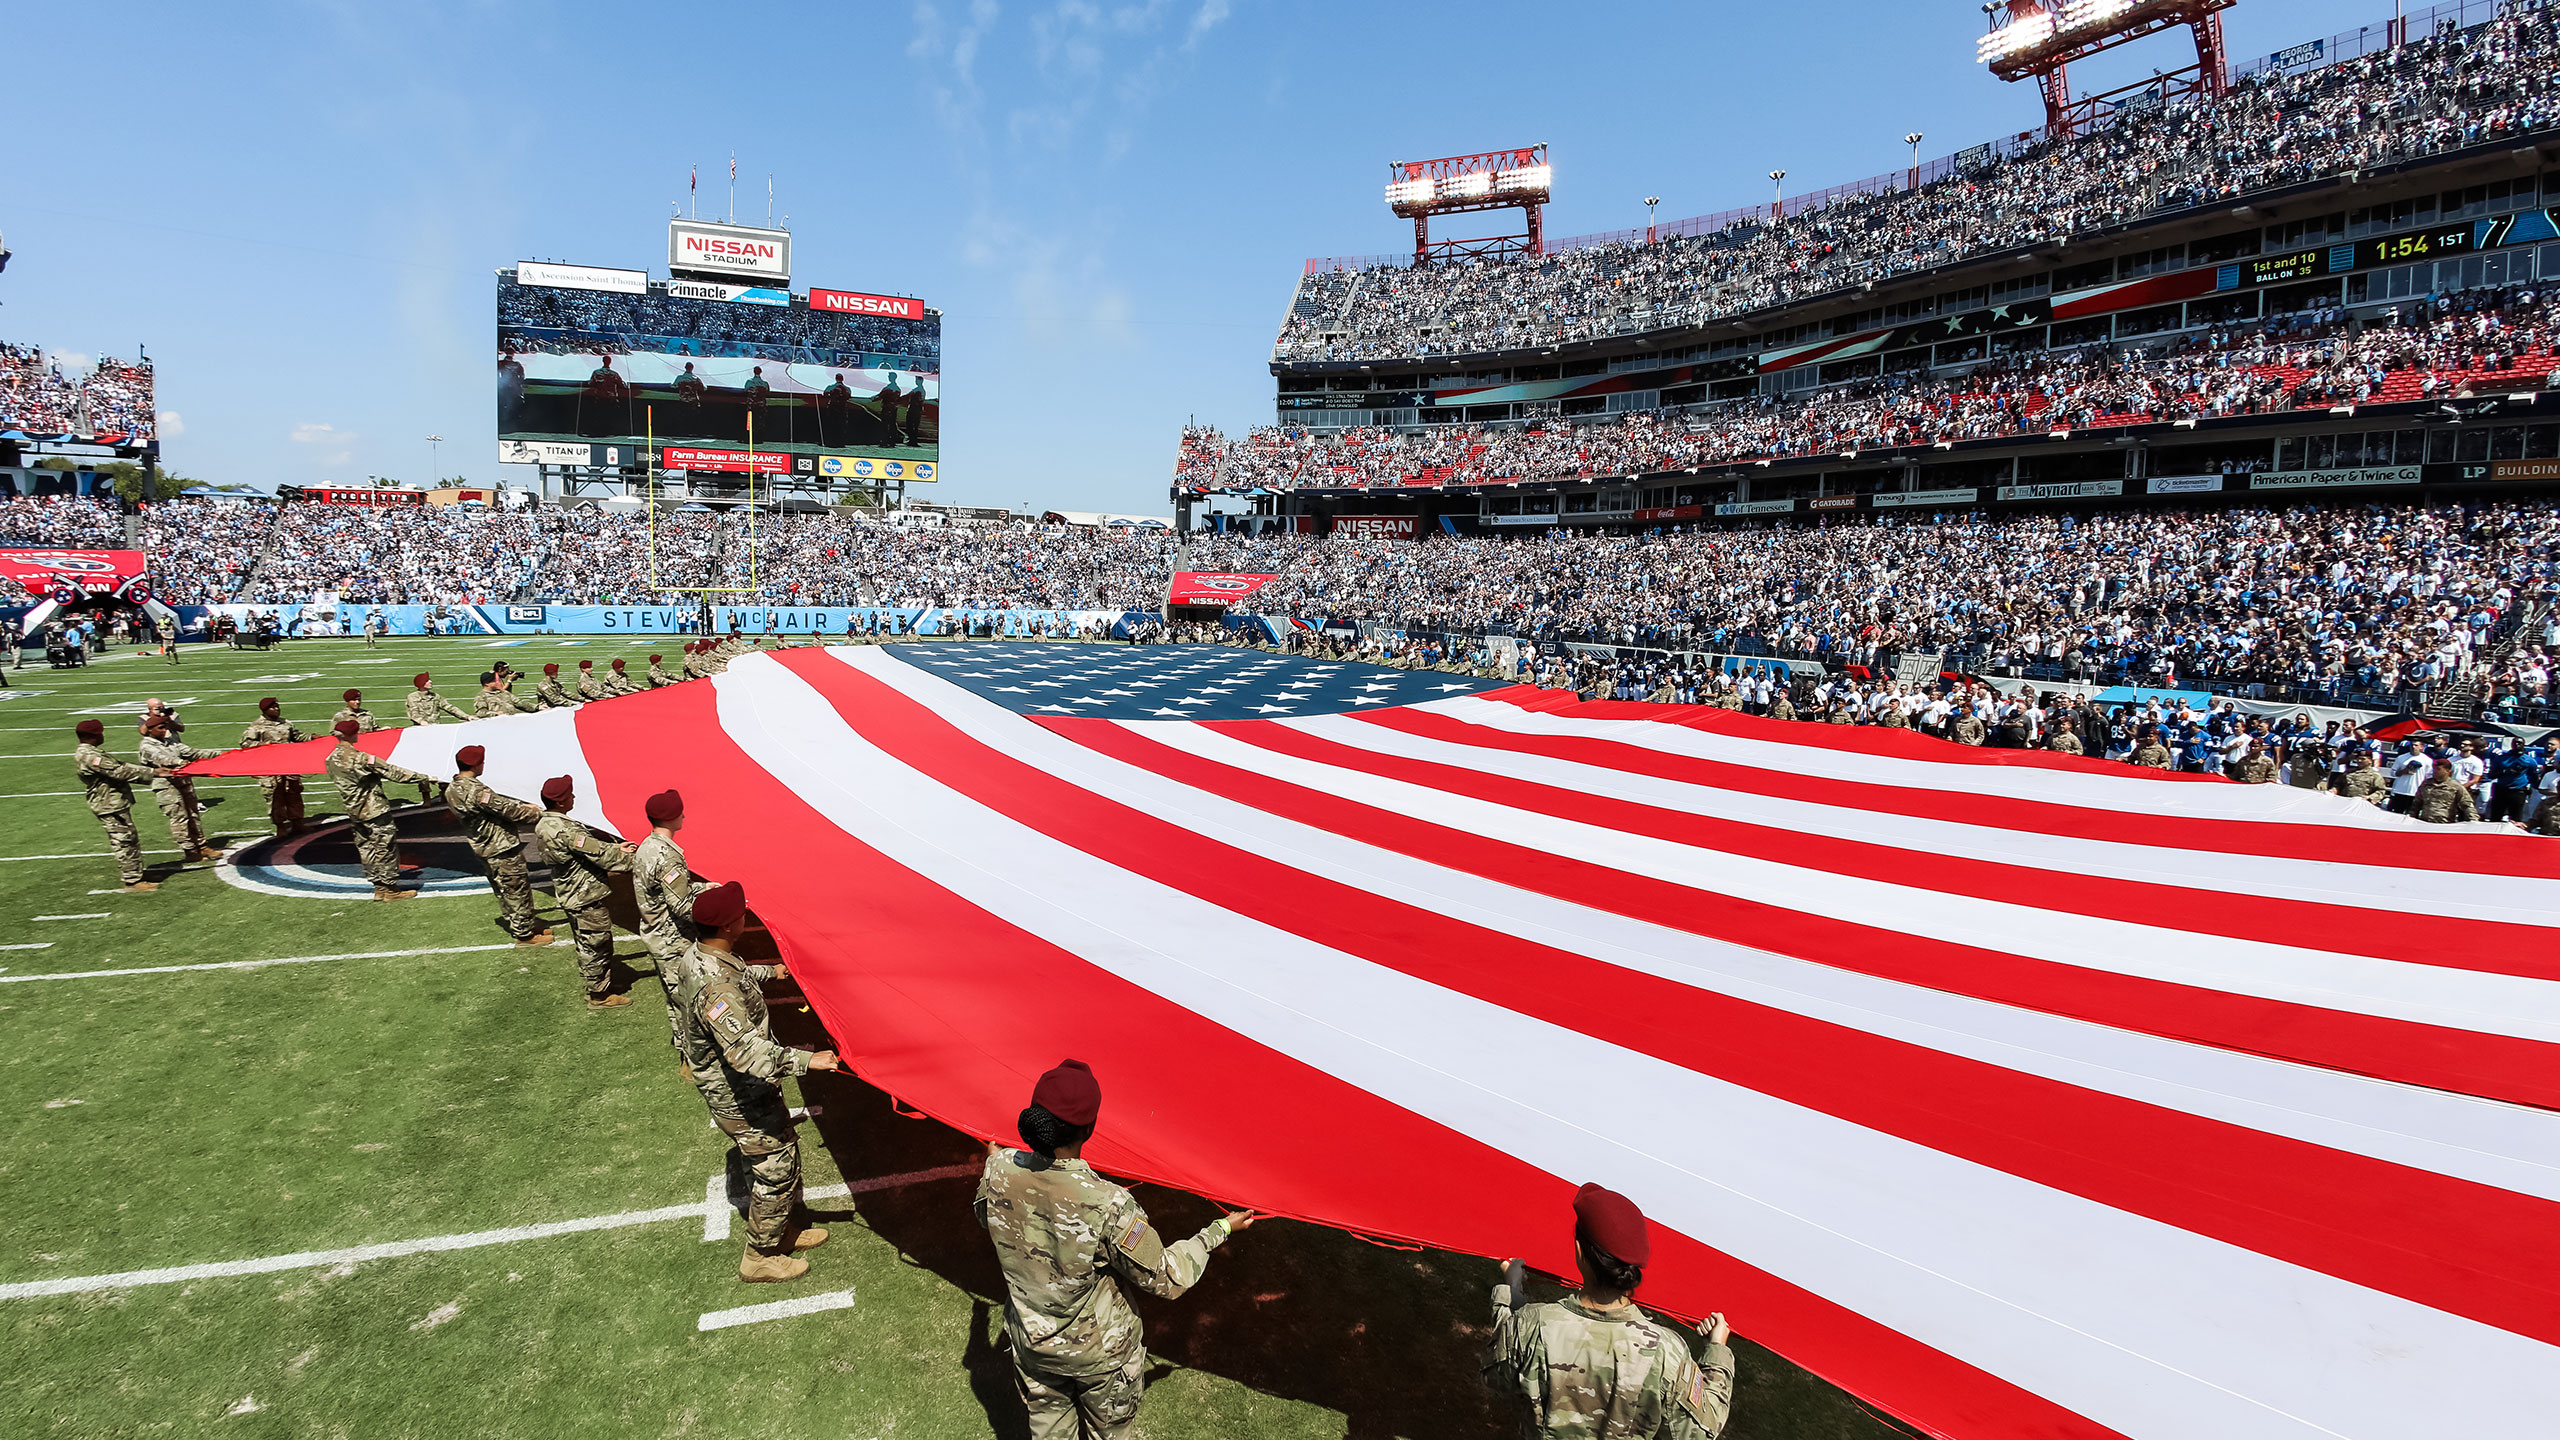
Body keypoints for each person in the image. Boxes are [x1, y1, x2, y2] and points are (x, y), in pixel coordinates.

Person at [976, 1058, 1254, 1439]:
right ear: (1088, 1128)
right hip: (1100, 1359)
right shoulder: (1109, 1205)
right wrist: (1218, 1230)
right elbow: (1167, 1278)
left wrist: (999, 1164)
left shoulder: (998, 1170)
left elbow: (987, 1216)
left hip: (1032, 1347)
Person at [1486, 1183, 1734, 1439]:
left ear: (1579, 1251)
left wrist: (1511, 1292)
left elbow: (1497, 1375)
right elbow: (1702, 1429)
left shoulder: (1532, 1324)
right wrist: (1716, 1351)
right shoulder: (1666, 1352)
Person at [680, 880, 838, 1282]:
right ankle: (760, 1255)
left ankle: (781, 1230)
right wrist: (810, 1061)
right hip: (738, 1091)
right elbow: (746, 1052)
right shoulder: (716, 986)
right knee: (776, 1167)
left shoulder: (703, 957)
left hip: (743, 1087)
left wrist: (774, 970)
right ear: (732, 925)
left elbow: (740, 977)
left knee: (779, 1152)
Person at [534, 775, 636, 1007]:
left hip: (570, 892)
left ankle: (600, 983)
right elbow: (604, 857)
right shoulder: (567, 830)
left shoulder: (545, 823)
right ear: (561, 802)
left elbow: (588, 849)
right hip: (585, 895)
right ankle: (599, 995)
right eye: (570, 795)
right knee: (596, 943)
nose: (574, 797)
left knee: (585, 941)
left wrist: (613, 846)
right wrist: (634, 856)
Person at [633, 788, 714, 1059]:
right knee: (687, 1000)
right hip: (673, 939)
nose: (683, 816)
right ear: (670, 818)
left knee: (674, 996)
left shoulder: (647, 846)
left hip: (658, 934)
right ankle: (692, 1059)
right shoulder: (668, 856)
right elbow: (681, 906)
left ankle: (685, 1051)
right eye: (680, 812)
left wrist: (705, 888)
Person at [446, 745, 552, 947]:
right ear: (476, 765)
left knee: (502, 888)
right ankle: (525, 935)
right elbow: (509, 811)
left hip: (482, 845)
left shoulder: (453, 788)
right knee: (515, 888)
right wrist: (539, 812)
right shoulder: (476, 791)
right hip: (500, 847)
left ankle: (523, 923)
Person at [327, 718, 434, 901]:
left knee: (367, 848)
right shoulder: (361, 758)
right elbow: (394, 772)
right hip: (374, 810)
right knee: (385, 848)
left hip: (354, 811)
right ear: (353, 734)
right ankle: (391, 889)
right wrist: (426, 776)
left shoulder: (330, 759)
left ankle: (378, 888)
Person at [75, 718, 172, 892]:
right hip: (108, 804)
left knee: (130, 838)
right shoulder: (90, 755)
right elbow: (119, 771)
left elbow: (120, 766)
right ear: (93, 735)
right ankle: (132, 881)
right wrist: (153, 773)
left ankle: (137, 874)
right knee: (123, 841)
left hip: (112, 802)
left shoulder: (92, 751)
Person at [137, 716, 223, 861]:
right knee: (179, 818)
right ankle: (190, 851)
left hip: (183, 783)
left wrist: (223, 754)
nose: (165, 731)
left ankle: (201, 846)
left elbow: (193, 752)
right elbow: (161, 758)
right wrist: (179, 762)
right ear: (150, 730)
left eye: (165, 727)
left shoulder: (169, 742)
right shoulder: (146, 746)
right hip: (167, 787)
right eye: (161, 728)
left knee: (193, 814)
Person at [238, 697, 312, 836]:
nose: (277, 709)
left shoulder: (286, 723)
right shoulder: (255, 727)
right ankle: (280, 826)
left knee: (294, 792)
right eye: (273, 707)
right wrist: (262, 746)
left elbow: (296, 736)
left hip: (289, 764)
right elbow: (245, 744)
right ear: (265, 710)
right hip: (270, 768)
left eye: (277, 706)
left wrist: (312, 737)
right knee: (274, 796)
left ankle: (297, 822)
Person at [2412, 757, 2482, 824]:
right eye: (2434, 769)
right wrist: (2411, 817)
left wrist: (2474, 821)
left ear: (2447, 770)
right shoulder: (2426, 784)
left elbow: (2467, 805)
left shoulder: (2455, 786)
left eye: (2438, 769)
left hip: (2445, 824)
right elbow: (2416, 803)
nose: (2435, 772)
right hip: (2425, 822)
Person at [404, 672, 471, 726]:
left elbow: (449, 708)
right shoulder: (412, 697)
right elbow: (414, 713)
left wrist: (466, 716)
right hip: (421, 729)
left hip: (435, 728)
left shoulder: (435, 696)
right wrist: (421, 721)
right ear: (421, 683)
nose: (430, 681)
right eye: (427, 680)